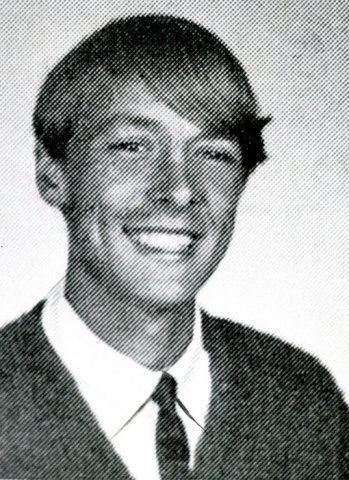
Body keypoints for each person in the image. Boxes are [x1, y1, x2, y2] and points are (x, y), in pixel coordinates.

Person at [0, 14, 348, 480]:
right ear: (53, 174)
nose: (180, 189)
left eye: (214, 153)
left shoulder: (301, 402)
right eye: (132, 147)